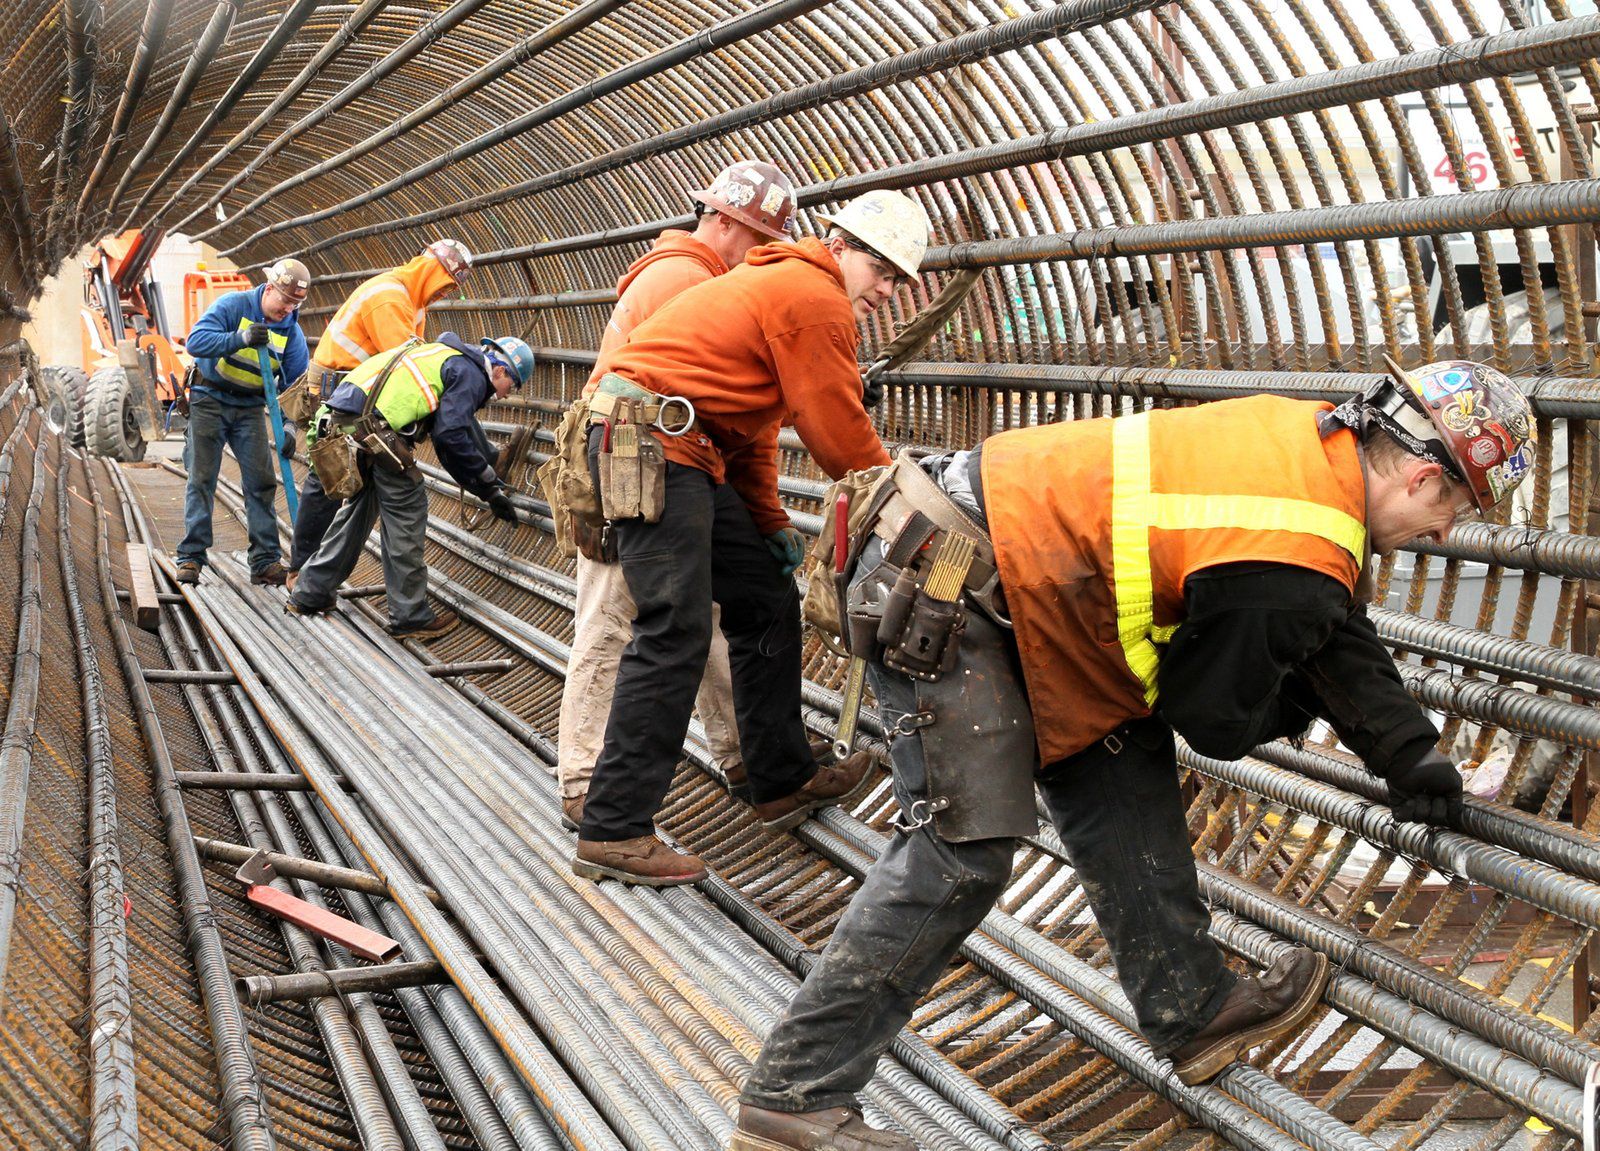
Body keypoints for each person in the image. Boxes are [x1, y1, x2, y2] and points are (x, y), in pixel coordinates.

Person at [728, 358, 1536, 1151]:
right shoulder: (1299, 542)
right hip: (952, 574)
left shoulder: (1309, 451)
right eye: (1457, 509)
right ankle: (793, 1097)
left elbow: (1327, 622)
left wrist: (1410, 755)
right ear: (1427, 480)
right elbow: (1214, 713)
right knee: (959, 853)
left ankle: (1192, 1008)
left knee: (1113, 741)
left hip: (1028, 587)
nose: (1442, 533)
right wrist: (1291, 706)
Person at [569, 188, 932, 887]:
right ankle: (613, 828)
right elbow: (837, 430)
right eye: (882, 271)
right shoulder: (812, 293)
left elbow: (754, 431)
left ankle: (781, 778)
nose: (887, 291)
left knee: (765, 598)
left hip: (684, 446)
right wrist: (902, 507)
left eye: (898, 281)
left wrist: (767, 523)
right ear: (843, 247)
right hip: (649, 442)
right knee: (673, 627)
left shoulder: (782, 286)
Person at [557, 160, 800, 831]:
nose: (762, 257)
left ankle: (742, 752)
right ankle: (584, 780)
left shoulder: (697, 274)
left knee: (695, 615)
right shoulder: (684, 277)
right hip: (632, 458)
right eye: (756, 240)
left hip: (653, 459)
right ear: (720, 220)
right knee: (615, 614)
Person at [285, 332, 534, 638]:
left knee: (357, 514)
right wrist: (488, 489)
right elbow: (449, 437)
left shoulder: (442, 354)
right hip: (376, 432)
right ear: (500, 370)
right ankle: (409, 616)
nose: (508, 394)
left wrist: (483, 475)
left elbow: (457, 426)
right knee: (407, 511)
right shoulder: (470, 373)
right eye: (514, 385)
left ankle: (310, 593)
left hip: (348, 425)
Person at [287, 238, 473, 588]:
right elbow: (404, 365)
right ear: (430, 269)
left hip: (353, 395)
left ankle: (314, 576)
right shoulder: (390, 297)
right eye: (446, 283)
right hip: (336, 393)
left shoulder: (413, 301)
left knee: (348, 482)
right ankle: (301, 570)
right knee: (327, 479)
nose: (445, 293)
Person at [175, 258, 311, 587]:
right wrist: (241, 337)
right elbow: (196, 341)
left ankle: (264, 562)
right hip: (210, 398)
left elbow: (295, 386)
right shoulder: (233, 306)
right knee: (202, 477)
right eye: (284, 299)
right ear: (268, 289)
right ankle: (192, 557)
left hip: (249, 407)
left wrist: (290, 427)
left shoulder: (291, 332)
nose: (288, 309)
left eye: (295, 304)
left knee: (261, 482)